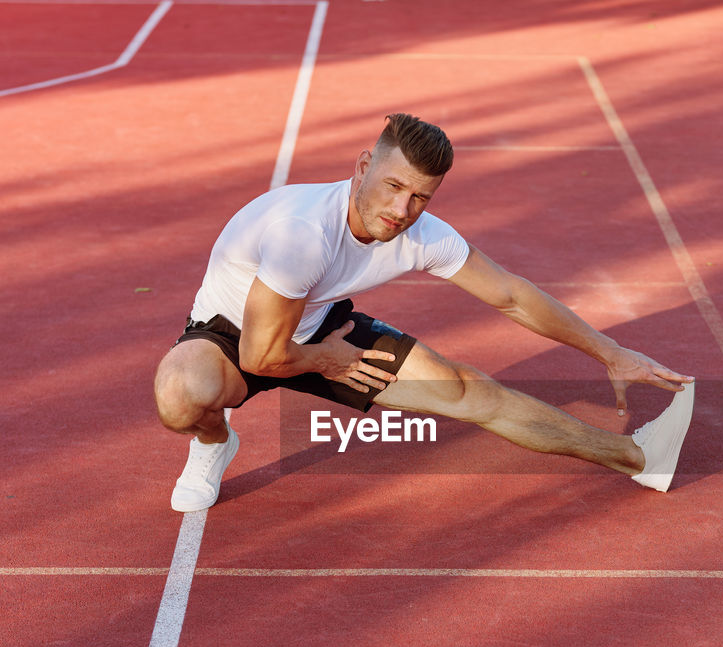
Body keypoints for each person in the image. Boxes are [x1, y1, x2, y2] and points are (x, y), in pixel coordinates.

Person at [154, 113, 694, 512]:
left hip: (323, 329)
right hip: (235, 336)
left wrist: (611, 352)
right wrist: (328, 362)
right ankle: (214, 443)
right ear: (364, 166)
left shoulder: (421, 234)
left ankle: (637, 457)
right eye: (392, 186)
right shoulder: (302, 234)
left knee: (472, 393)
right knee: (180, 396)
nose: (400, 211)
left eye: (420, 197)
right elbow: (260, 355)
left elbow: (511, 294)